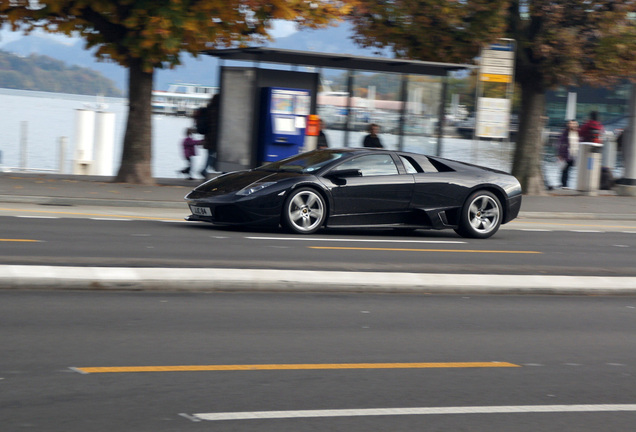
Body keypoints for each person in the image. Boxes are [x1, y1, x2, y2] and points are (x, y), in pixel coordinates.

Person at [197, 93, 220, 179]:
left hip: (208, 137)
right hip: (215, 138)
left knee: (210, 155)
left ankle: (206, 170)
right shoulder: (218, 110)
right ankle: (205, 170)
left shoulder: (208, 109)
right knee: (212, 155)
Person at [557, 119, 579, 188]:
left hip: (575, 155)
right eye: (570, 123)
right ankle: (564, 185)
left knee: (569, 170)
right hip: (566, 154)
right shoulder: (565, 133)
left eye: (573, 124)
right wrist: (560, 154)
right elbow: (560, 143)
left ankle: (568, 185)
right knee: (565, 170)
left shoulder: (578, 132)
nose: (571, 125)